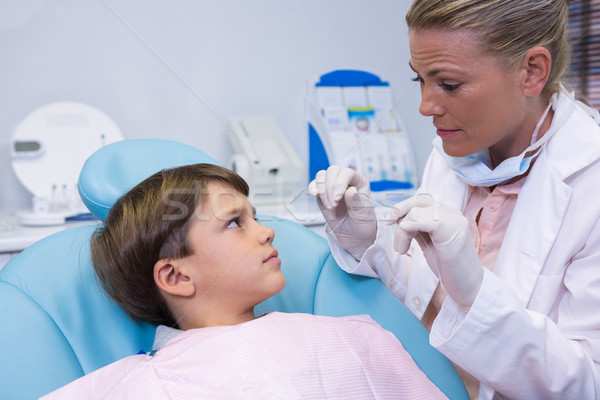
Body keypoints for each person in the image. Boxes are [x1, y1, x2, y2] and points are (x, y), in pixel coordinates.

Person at [309, 0, 600, 399]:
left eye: (448, 84)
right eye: (420, 80)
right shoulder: (455, 153)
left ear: (532, 72)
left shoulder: (590, 183)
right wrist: (368, 240)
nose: (426, 106)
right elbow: (426, 296)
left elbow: (589, 384)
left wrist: (476, 293)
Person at [42, 163, 446, 399]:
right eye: (235, 222)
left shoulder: (354, 338)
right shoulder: (142, 384)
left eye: (257, 217)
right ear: (176, 276)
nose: (267, 232)